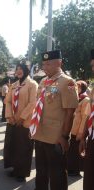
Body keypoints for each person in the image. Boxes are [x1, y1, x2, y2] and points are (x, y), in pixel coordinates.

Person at [31, 50, 78, 190]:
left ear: (59, 62)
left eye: (49, 64)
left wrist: (64, 136)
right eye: (43, 64)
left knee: (57, 174)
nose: (45, 67)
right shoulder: (43, 81)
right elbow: (38, 107)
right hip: (40, 134)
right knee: (41, 172)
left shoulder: (67, 82)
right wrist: (33, 128)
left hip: (56, 137)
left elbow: (70, 112)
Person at [4, 63, 38, 182]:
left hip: (26, 122)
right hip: (13, 121)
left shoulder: (32, 84)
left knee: (24, 148)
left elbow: (33, 103)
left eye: (20, 69)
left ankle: (22, 173)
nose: (18, 71)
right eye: (16, 69)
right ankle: (15, 169)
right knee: (13, 146)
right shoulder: (14, 85)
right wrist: (10, 116)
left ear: (26, 70)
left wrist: (22, 118)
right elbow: (7, 101)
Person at [67, 80, 90, 176]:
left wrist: (81, 133)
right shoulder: (75, 97)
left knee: (77, 152)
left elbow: (85, 118)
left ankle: (76, 170)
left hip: (78, 131)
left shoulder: (86, 100)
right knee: (71, 151)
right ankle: (70, 168)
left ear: (83, 88)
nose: (77, 88)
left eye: (79, 87)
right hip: (71, 129)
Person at [79, 49, 94, 190]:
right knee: (89, 178)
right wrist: (83, 136)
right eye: (93, 66)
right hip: (92, 140)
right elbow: (90, 114)